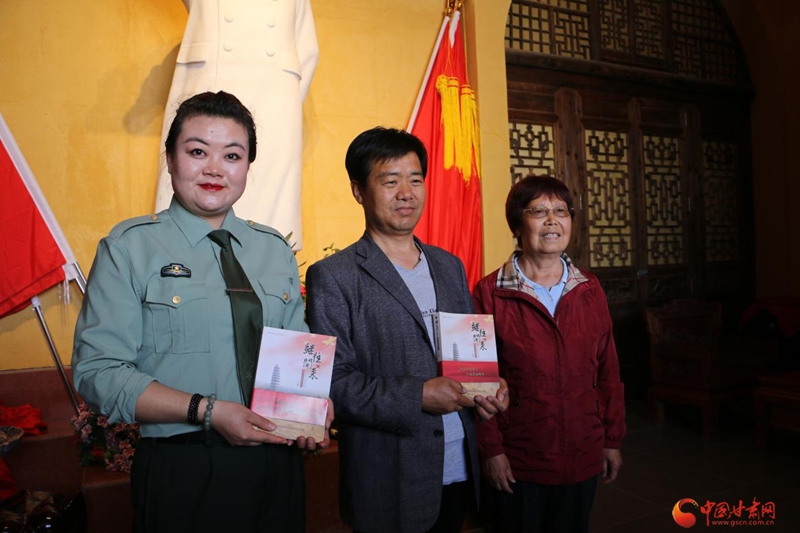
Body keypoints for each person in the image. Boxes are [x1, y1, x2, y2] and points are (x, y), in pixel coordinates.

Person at [72, 91, 330, 533]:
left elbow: (296, 353)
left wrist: (312, 406)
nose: (215, 168)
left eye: (232, 155)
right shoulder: (130, 247)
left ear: (247, 166)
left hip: (278, 466)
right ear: (170, 159)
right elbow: (99, 373)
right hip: (184, 468)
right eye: (197, 152)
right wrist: (208, 411)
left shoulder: (273, 249)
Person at [305, 126, 509, 533]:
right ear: (358, 191)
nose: (406, 193)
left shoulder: (449, 266)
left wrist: (488, 387)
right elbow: (332, 381)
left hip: (459, 464)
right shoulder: (335, 275)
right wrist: (417, 396)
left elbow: (471, 356)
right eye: (390, 181)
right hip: (390, 475)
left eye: (415, 180)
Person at [472, 175, 626, 533]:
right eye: (538, 211)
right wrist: (491, 451)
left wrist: (612, 439)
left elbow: (608, 372)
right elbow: (476, 380)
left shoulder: (589, 289)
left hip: (582, 450)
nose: (553, 220)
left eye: (561, 211)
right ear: (517, 224)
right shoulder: (489, 292)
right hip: (520, 458)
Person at [155, 0, 319, 248]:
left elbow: (307, 50)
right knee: (197, 162)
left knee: (271, 195)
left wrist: (288, 100)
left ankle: (270, 255)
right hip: (213, 75)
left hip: (275, 91)